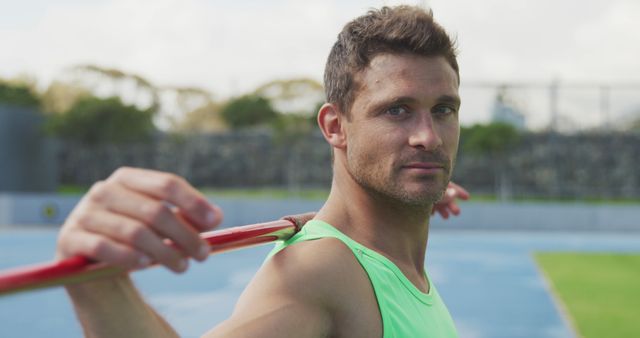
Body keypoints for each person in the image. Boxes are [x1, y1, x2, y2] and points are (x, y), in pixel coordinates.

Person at [56, 5, 467, 337]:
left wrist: (418, 190)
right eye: (397, 110)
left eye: (443, 110)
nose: (427, 137)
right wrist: (98, 286)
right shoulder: (321, 270)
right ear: (335, 127)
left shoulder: (390, 250)